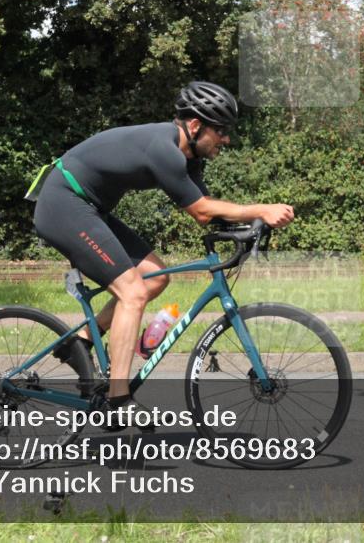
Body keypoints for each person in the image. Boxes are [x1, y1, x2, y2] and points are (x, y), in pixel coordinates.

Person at [32, 81, 294, 425]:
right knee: (134, 291)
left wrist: (246, 230)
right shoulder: (163, 149)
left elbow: (209, 212)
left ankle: (79, 341)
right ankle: (118, 400)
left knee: (156, 278)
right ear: (196, 126)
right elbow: (201, 210)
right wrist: (260, 209)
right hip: (64, 204)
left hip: (91, 208)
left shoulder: (189, 160)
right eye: (221, 131)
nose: (226, 139)